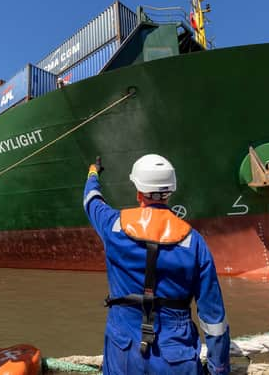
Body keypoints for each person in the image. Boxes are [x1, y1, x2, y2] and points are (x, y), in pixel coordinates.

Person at [83, 155, 230, 374]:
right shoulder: (194, 242)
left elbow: (91, 200)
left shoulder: (113, 226)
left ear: (138, 192)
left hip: (122, 349)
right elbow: (213, 318)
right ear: (171, 192)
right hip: (175, 356)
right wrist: (219, 368)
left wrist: (93, 173)